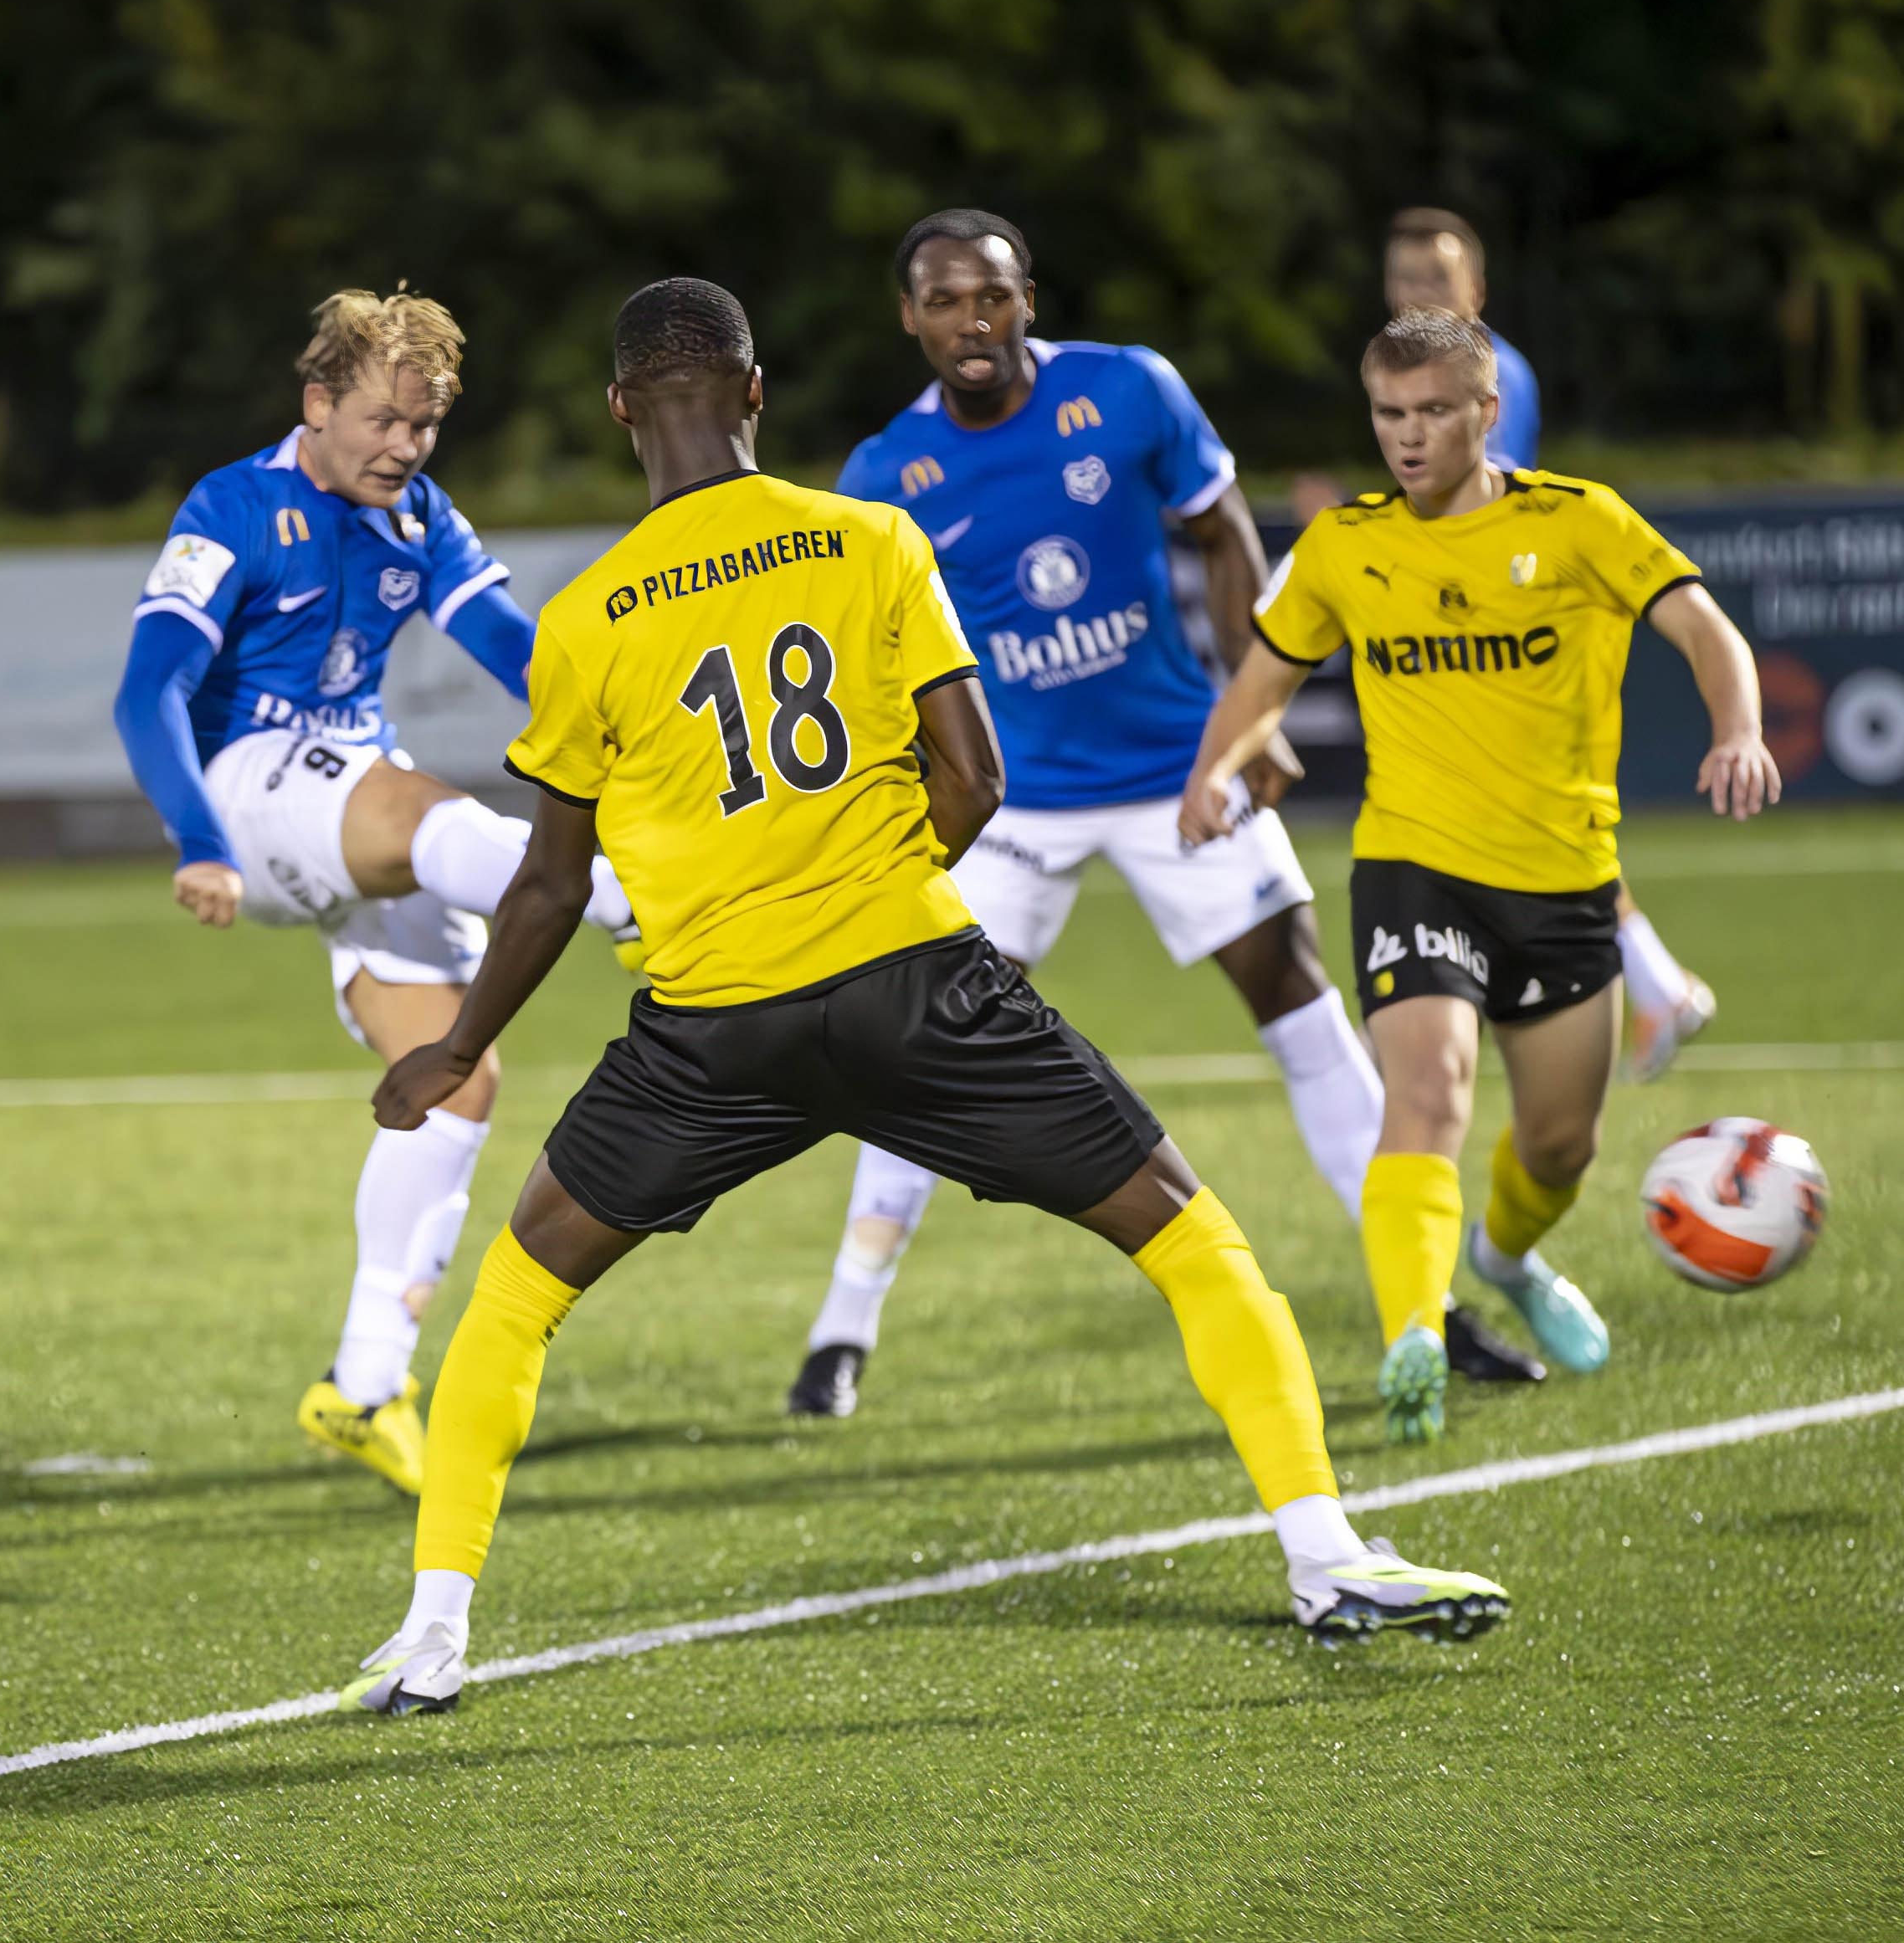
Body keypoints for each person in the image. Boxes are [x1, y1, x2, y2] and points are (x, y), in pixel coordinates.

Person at [336, 279, 1507, 1715]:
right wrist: (874, 899)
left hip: (714, 1031)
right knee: (1196, 1247)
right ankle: (1325, 1554)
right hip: (918, 986)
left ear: (621, 409)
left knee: (513, 1300)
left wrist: (460, 1046)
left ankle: (438, 1634)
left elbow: (545, 884)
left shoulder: (583, 621)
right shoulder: (872, 538)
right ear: (757, 394)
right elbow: (977, 781)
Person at [783, 208, 1532, 1416]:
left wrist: (1249, 716)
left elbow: (1225, 533)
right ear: (907, 317)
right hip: (1012, 800)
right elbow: (878, 659)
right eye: (943, 302)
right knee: (921, 1035)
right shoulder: (884, 476)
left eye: (992, 296)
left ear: (1032, 296)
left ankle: (1425, 1308)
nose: (971, 323)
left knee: (1299, 998)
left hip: (1177, 769)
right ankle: (841, 1331)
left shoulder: (1130, 392)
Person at [1191, 308, 1778, 1446]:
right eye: (1388, 414)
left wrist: (1738, 727)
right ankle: (1415, 1331)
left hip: (1564, 883)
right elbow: (1265, 669)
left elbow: (1706, 629)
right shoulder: (1347, 544)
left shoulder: (1578, 522)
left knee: (1561, 1144)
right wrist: (1217, 762)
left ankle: (1507, 1255)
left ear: (1485, 411)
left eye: (1433, 413)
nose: (1407, 437)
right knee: (1429, 1093)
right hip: (1413, 866)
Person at [111, 290, 634, 1498]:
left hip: (346, 797)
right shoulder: (231, 507)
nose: (404, 448)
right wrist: (195, 836)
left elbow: (508, 640)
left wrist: (610, 715)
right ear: (317, 405)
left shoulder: (418, 514)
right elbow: (150, 690)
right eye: (384, 422)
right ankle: (639, 903)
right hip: (252, 787)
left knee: (455, 1078)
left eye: (426, 427)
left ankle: (361, 1383)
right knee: (419, 806)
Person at [1376, 209, 1719, 1084]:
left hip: (1513, 642)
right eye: (1405, 280)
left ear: (1475, 292)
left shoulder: (1496, 378)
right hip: (1471, 642)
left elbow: (1477, 510)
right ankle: (1654, 983)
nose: (1419, 295)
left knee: (1540, 826)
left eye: (1436, 280)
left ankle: (1634, 987)